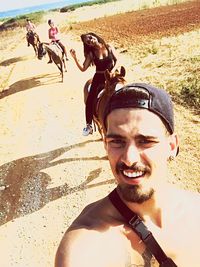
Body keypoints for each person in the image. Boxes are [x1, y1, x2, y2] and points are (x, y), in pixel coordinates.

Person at [54, 83, 200, 267]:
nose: (129, 159)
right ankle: (88, 123)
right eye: (117, 141)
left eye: (145, 141)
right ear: (105, 145)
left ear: (172, 146)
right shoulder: (85, 247)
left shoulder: (196, 210)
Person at [70, 32, 117, 136]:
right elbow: (83, 69)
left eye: (90, 37)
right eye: (88, 41)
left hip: (111, 76)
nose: (90, 40)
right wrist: (74, 58)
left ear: (94, 36)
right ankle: (89, 125)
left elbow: (116, 59)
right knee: (90, 99)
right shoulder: (92, 54)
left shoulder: (108, 46)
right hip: (99, 79)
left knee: (124, 89)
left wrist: (112, 71)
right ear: (88, 45)